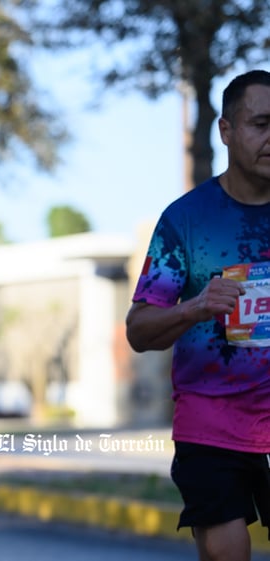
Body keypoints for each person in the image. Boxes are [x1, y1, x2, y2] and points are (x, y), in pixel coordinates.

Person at [126, 69, 270, 561]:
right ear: (226, 131)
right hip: (212, 423)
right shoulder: (185, 220)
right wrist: (196, 307)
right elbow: (139, 331)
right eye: (261, 124)